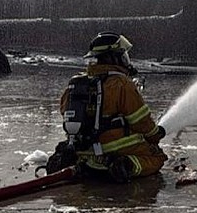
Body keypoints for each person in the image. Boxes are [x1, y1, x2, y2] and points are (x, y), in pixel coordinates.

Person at [47, 32, 167, 182]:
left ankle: (75, 162)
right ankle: (126, 165)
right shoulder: (121, 84)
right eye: (122, 55)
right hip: (114, 149)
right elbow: (141, 121)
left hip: (84, 150)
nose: (125, 59)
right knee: (157, 157)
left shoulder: (77, 84)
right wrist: (155, 135)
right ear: (113, 57)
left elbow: (64, 110)